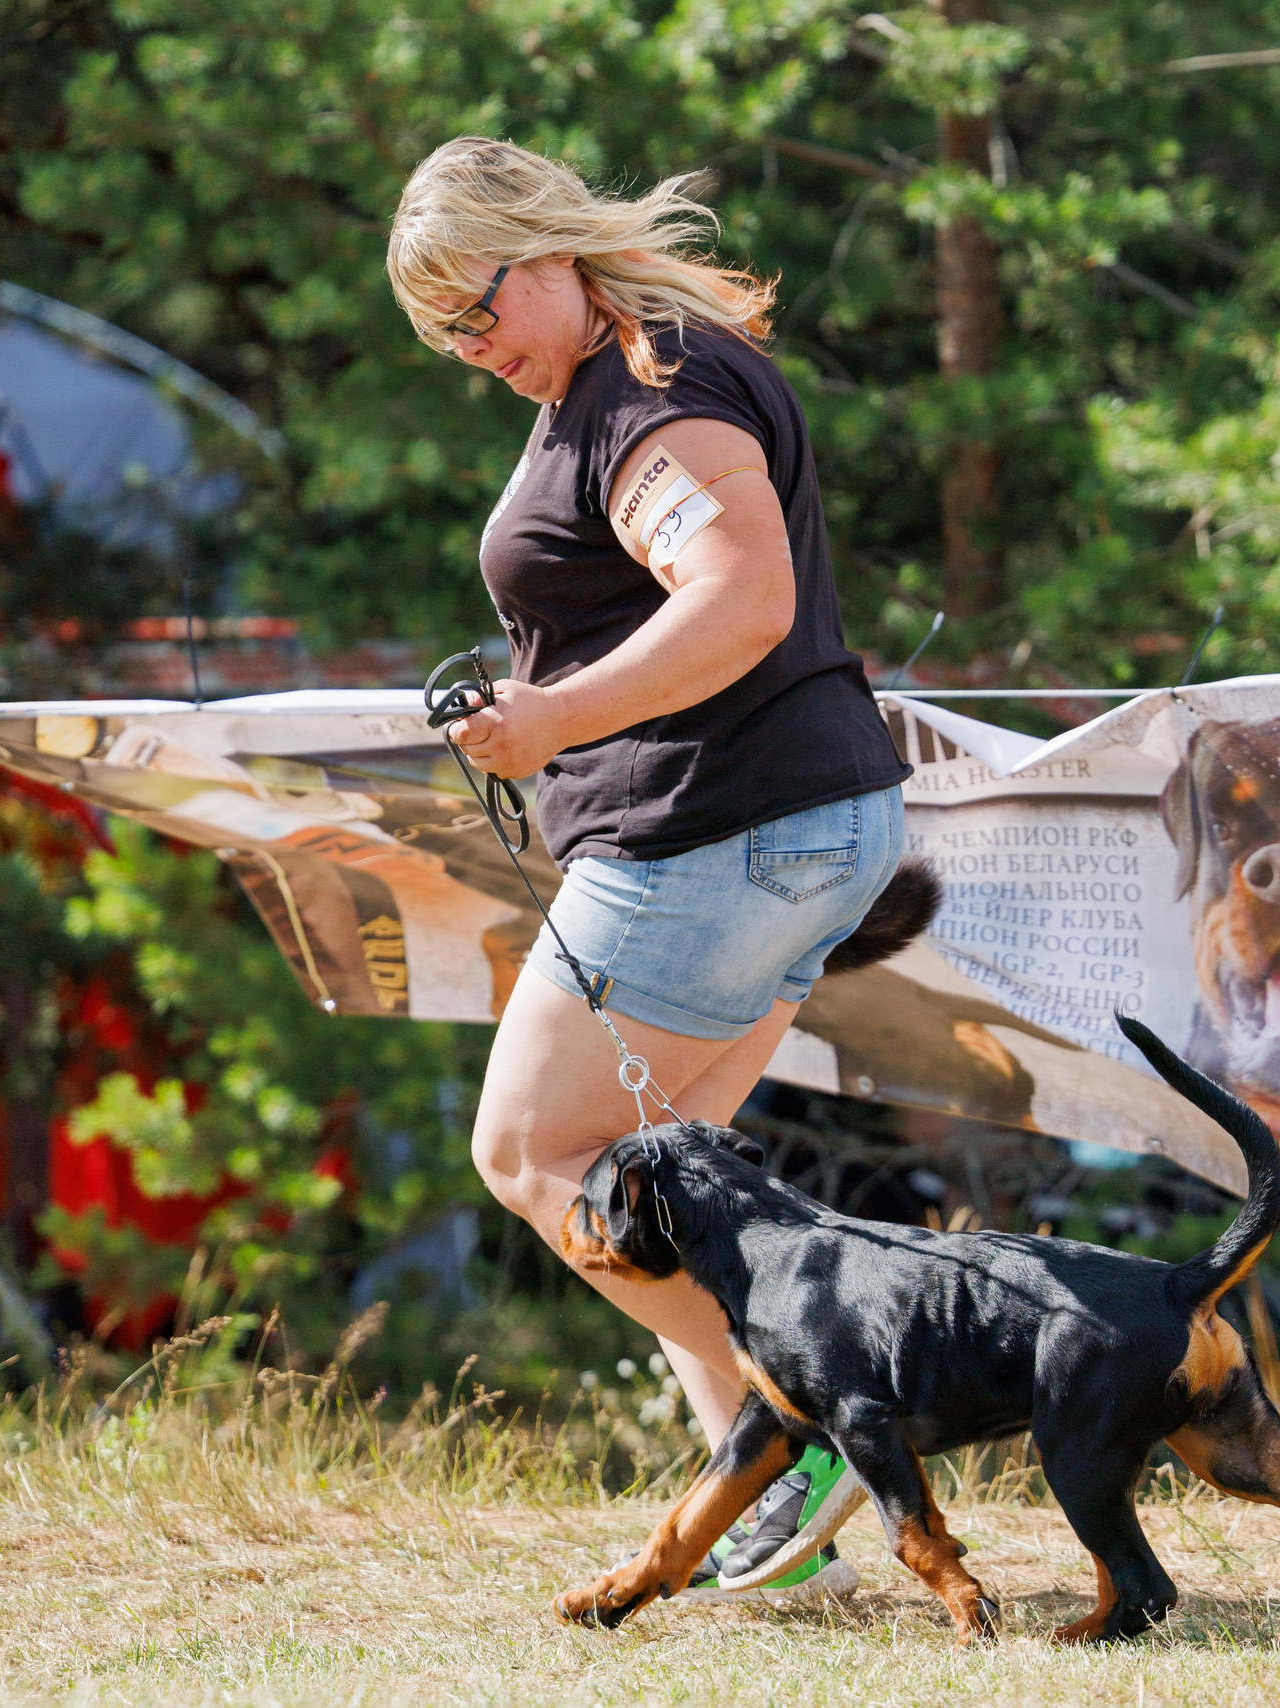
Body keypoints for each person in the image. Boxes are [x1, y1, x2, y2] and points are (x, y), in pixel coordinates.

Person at [386, 138, 915, 1600]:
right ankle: (772, 1514)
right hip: (792, 825)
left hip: (718, 833)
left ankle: (799, 1416)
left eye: (477, 306)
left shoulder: (648, 388)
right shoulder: (622, 374)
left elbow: (743, 597)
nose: (467, 345)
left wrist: (551, 717)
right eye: (441, 329)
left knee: (528, 1155)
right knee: (654, 1189)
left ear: (545, 249)